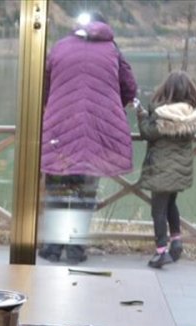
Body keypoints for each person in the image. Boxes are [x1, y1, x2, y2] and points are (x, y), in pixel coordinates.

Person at [39, 11, 137, 264]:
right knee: (84, 194)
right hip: (95, 132)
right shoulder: (112, 49)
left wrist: (54, 107)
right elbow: (129, 87)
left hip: (59, 131)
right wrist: (112, 106)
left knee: (58, 191)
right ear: (104, 25)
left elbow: (44, 86)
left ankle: (51, 248)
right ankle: (75, 251)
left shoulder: (60, 47)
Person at [136, 70, 196, 269]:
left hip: (161, 168)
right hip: (180, 170)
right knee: (170, 205)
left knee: (158, 210)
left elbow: (147, 133)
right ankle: (176, 242)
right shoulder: (192, 114)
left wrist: (142, 115)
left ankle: (161, 252)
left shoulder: (162, 114)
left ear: (167, 89)